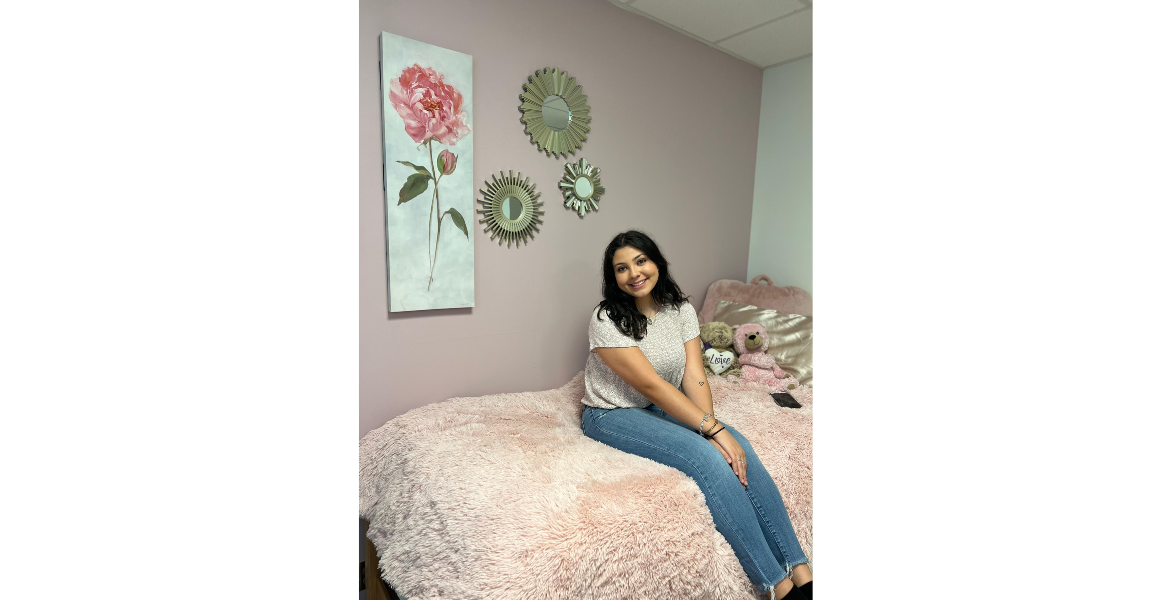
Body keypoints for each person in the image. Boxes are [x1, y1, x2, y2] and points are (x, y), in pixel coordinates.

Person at [581, 230, 813, 600]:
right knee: (706, 457)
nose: (634, 273)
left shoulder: (680, 310)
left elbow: (694, 374)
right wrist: (710, 433)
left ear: (657, 262)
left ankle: (801, 571)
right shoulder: (606, 318)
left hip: (659, 403)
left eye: (641, 261)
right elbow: (654, 386)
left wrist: (715, 429)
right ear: (614, 278)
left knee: (738, 446)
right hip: (612, 412)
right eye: (621, 268)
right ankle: (776, 585)